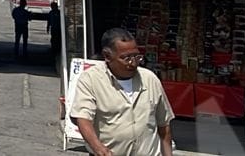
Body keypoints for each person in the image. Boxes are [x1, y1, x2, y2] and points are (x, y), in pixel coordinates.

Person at [70, 27, 175, 156]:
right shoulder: (91, 79)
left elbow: (164, 126)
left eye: (136, 56)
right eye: (126, 58)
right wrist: (98, 148)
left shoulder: (150, 79)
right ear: (107, 56)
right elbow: (82, 118)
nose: (133, 63)